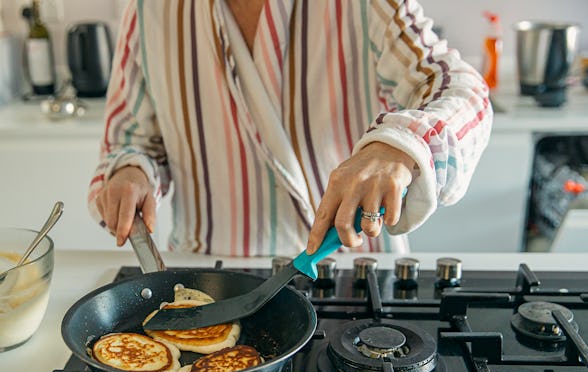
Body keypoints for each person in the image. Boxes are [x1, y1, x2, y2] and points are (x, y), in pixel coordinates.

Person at [88, 0, 492, 256]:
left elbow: (462, 89)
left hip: (353, 268)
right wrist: (130, 172)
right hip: (209, 273)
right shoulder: (147, 11)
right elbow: (131, 141)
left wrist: (400, 145)